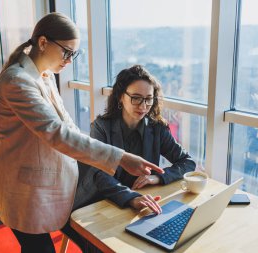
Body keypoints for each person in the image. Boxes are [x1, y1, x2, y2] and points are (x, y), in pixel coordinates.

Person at [0, 13, 164, 253]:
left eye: (74, 54)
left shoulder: (45, 77)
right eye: (67, 52)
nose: (70, 61)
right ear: (42, 43)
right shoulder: (16, 82)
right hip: (23, 191)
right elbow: (58, 134)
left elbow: (69, 129)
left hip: (46, 185)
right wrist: (121, 157)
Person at [71, 65, 196, 251]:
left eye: (148, 99)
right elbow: (99, 175)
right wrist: (131, 198)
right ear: (121, 96)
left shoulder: (157, 128)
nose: (143, 106)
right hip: (99, 201)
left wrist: (158, 177)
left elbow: (188, 163)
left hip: (139, 203)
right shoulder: (101, 127)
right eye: (136, 98)